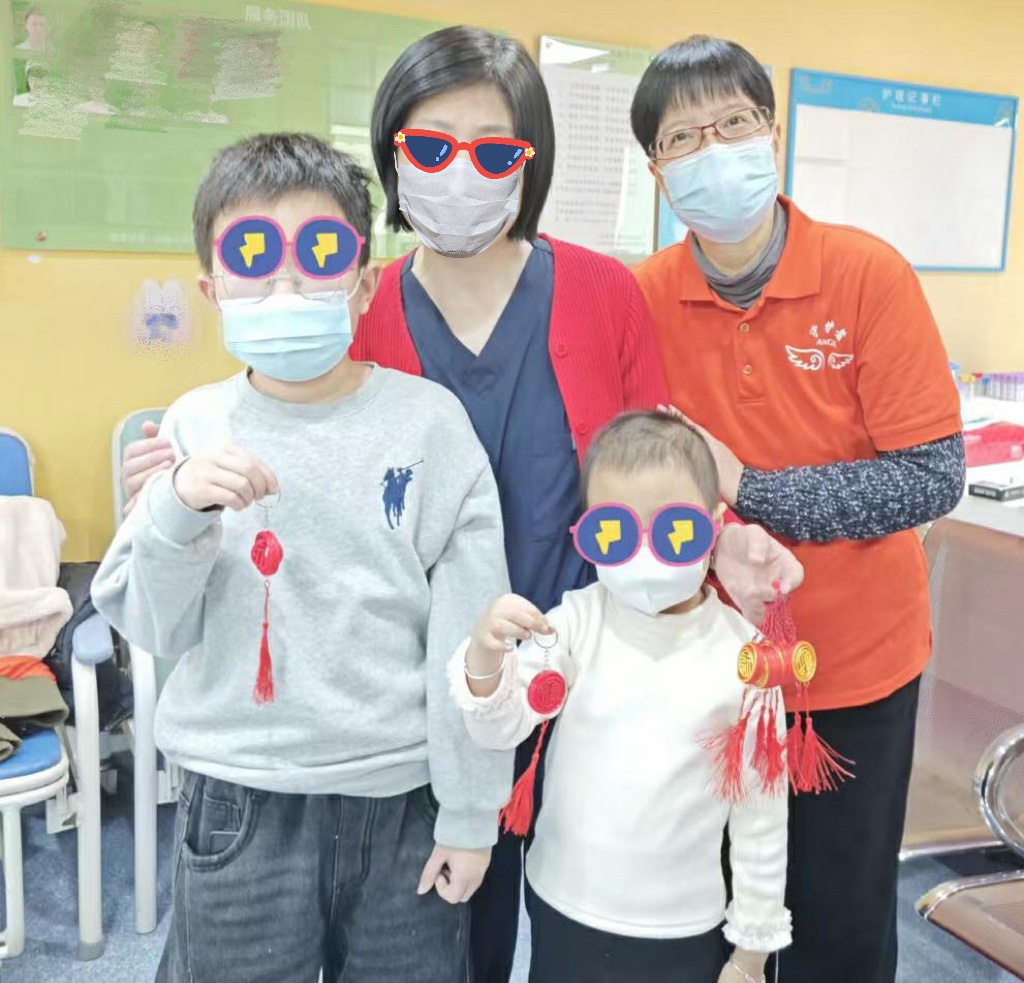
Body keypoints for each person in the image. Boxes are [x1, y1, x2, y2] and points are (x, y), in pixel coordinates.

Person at [118, 27, 804, 983]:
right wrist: (170, 498)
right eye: (431, 147)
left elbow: (650, 458)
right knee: (453, 941)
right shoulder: (354, 307)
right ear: (394, 156)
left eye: (492, 150)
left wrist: (714, 540)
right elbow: (290, 462)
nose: (460, 173)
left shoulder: (600, 292)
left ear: (531, 160)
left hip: (580, 665)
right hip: (416, 704)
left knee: (592, 919)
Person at [92, 132, 512, 983]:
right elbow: (151, 626)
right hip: (239, 800)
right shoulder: (190, 424)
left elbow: (471, 638)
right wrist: (176, 508)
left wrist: (472, 812)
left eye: (318, 255)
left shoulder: (430, 425)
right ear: (213, 289)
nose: (285, 287)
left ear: (363, 283)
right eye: (253, 257)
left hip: (402, 802)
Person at [629, 36, 966, 983]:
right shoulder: (642, 298)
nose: (712, 148)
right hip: (702, 667)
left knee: (837, 926)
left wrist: (754, 487)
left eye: (733, 122)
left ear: (771, 134)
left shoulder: (867, 274)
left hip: (854, 672)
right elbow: (637, 474)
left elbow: (930, 475)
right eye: (683, 137)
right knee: (706, 916)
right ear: (656, 169)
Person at [451, 411, 791, 983]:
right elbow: (497, 726)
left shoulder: (746, 660)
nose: (645, 556)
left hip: (684, 929)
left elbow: (762, 816)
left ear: (713, 525)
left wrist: (751, 952)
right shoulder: (574, 624)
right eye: (614, 533)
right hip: (563, 907)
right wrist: (485, 656)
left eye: (675, 531)